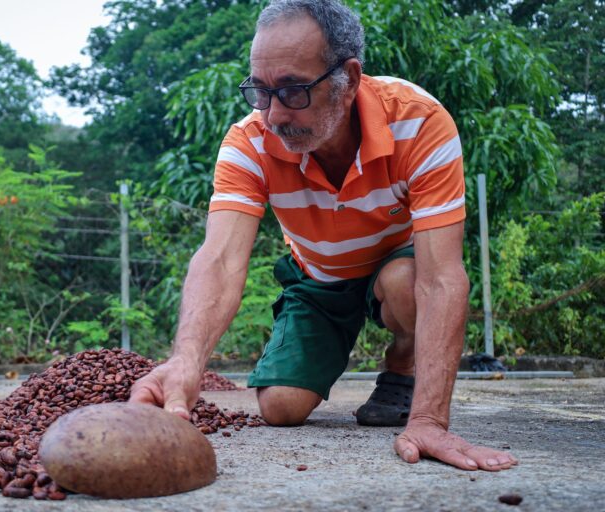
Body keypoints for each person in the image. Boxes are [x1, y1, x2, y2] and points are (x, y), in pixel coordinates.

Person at [130, 0, 518, 472]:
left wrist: (429, 421)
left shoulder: (419, 123)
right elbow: (220, 258)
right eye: (260, 91)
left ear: (349, 79)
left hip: (394, 270)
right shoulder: (249, 141)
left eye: (293, 91)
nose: (273, 115)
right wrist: (186, 362)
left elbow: (441, 279)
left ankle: (402, 366)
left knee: (404, 283)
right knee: (281, 407)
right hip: (318, 277)